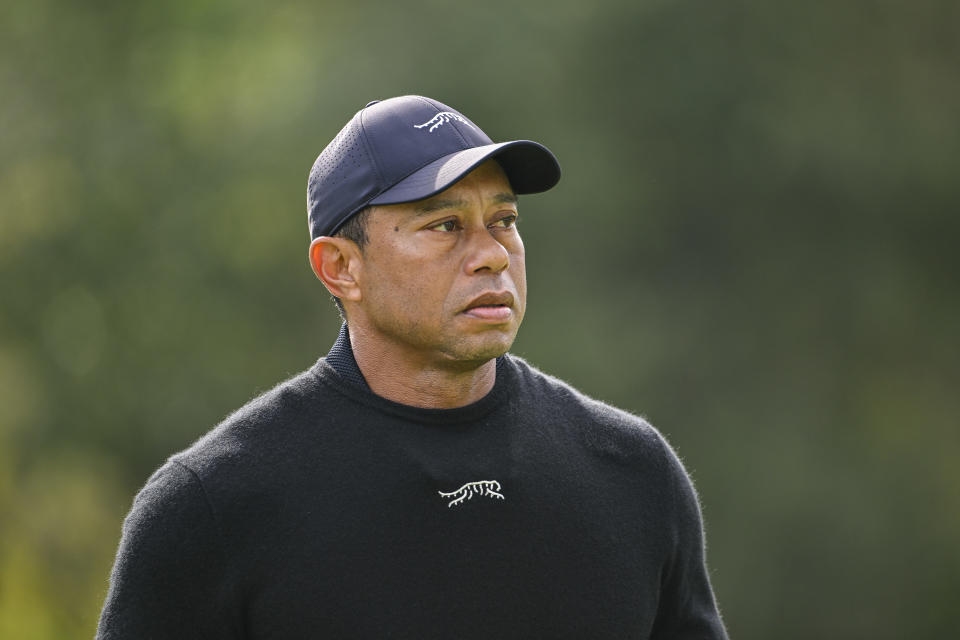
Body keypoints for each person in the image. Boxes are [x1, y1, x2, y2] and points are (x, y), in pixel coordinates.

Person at [96, 95, 728, 639]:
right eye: (445, 225)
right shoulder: (211, 508)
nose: (491, 255)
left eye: (503, 220)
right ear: (341, 268)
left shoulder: (633, 473)